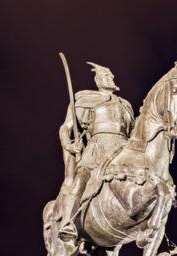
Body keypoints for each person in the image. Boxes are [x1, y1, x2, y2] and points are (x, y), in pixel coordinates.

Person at [55, 62, 134, 239]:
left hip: (123, 148)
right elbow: (65, 127)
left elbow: (134, 132)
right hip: (97, 147)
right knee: (81, 179)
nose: (111, 78)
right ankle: (68, 222)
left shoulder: (126, 105)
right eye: (106, 76)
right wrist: (69, 145)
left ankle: (155, 226)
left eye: (111, 76)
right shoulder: (85, 99)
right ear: (98, 81)